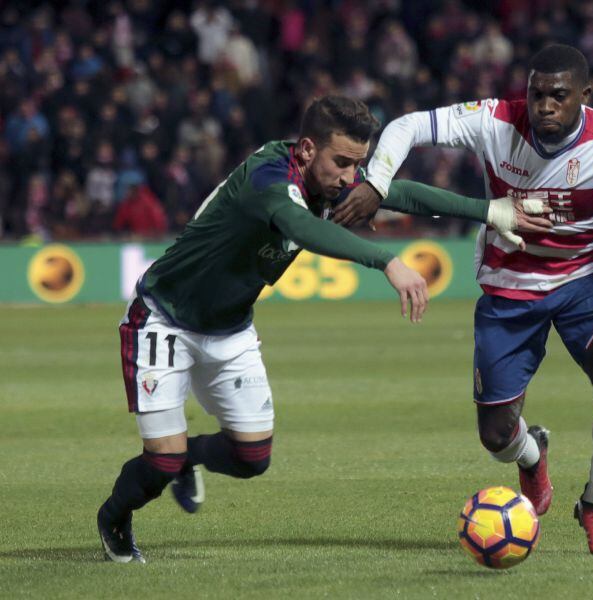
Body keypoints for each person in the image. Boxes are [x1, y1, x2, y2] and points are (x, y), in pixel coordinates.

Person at [97, 95, 537, 563]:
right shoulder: (267, 178)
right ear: (307, 150)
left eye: (357, 164)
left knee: (252, 458)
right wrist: (387, 261)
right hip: (164, 318)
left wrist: (491, 211)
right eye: (343, 162)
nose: (351, 176)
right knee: (159, 458)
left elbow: (397, 194)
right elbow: (301, 228)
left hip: (229, 329)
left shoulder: (330, 183)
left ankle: (186, 459)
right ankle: (114, 519)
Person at [334, 45, 593, 556]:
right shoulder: (494, 120)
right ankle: (531, 453)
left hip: (585, 283)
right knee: (496, 435)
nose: (544, 105)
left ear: (584, 98)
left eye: (558, 96)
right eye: (537, 93)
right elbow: (408, 125)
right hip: (508, 286)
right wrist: (377, 180)